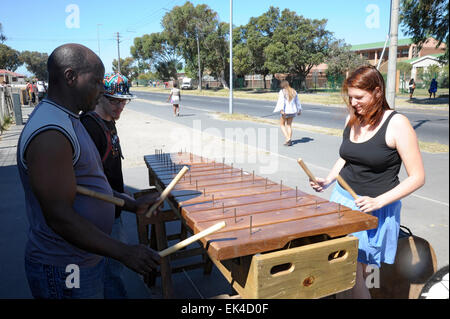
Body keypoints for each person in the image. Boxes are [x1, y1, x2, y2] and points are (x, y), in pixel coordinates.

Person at [16, 43, 161, 299]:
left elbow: (90, 188)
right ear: (70, 76)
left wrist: (131, 204)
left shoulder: (68, 117)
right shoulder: (51, 132)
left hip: (81, 261)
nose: (102, 90)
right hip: (64, 269)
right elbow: (59, 217)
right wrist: (124, 252)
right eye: (96, 81)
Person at [310, 65, 425, 299]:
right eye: (350, 97)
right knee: (342, 271)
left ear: (377, 92)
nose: (353, 103)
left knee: (352, 274)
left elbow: (418, 177)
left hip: (374, 208)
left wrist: (378, 201)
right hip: (342, 201)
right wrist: (328, 180)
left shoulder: (397, 124)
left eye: (359, 97)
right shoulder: (352, 118)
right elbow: (346, 156)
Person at [80, 72, 135, 299]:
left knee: (114, 270)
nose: (120, 106)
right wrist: (129, 203)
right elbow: (86, 179)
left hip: (114, 209)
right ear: (100, 96)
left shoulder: (110, 120)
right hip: (100, 214)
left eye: (123, 101)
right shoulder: (89, 126)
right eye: (114, 100)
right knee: (110, 272)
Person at [273, 80, 302, 146]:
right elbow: (297, 101)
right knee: (289, 125)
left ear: (282, 85)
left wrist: (281, 109)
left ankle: (288, 139)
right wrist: (299, 109)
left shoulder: (282, 92)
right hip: (292, 111)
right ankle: (289, 139)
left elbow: (281, 101)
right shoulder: (294, 91)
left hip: (285, 111)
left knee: (282, 125)